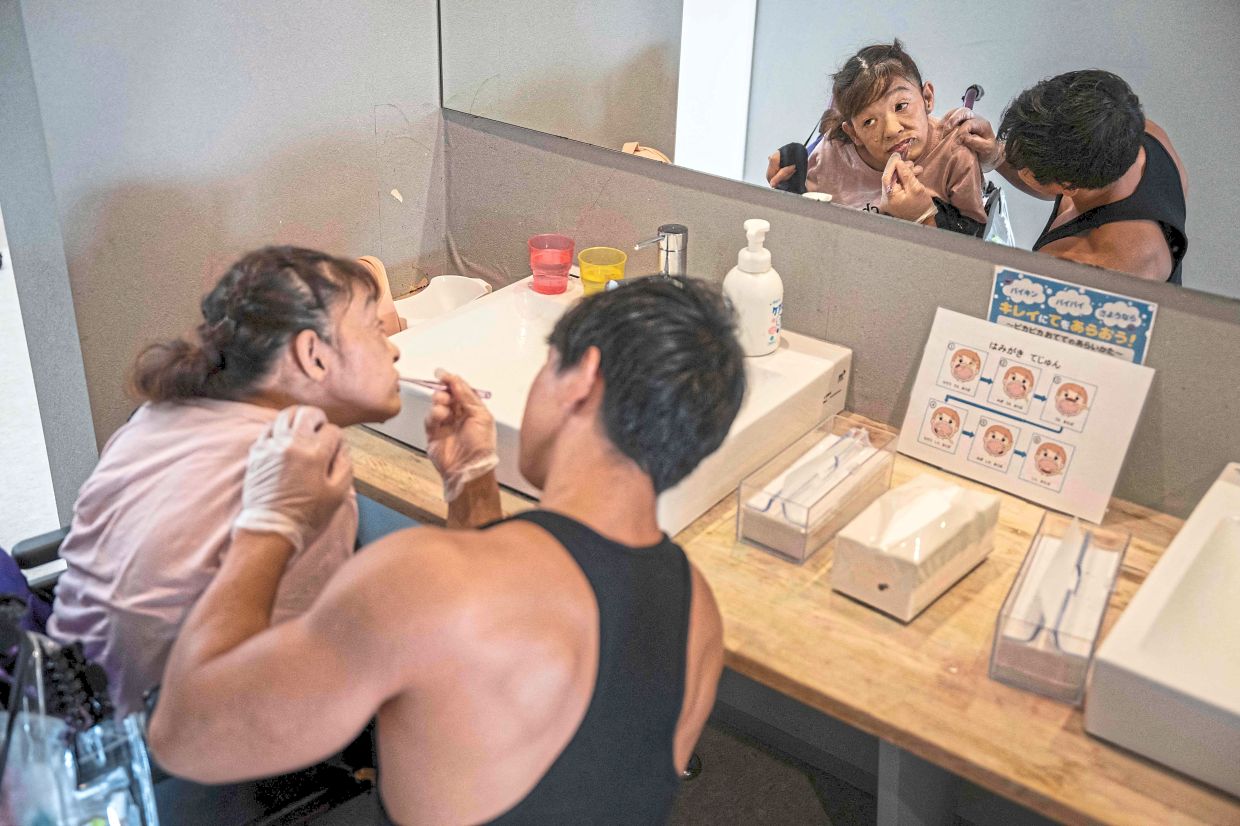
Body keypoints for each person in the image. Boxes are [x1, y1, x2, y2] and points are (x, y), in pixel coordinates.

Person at [148, 276, 746, 825]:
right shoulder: (699, 615)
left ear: (584, 377)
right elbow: (513, 728)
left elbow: (189, 734)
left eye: (546, 366)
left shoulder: (422, 579)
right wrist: (471, 485)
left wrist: (271, 520)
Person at [48, 246, 502, 717]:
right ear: (313, 355)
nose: (394, 347)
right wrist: (473, 485)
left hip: (71, 698)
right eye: (374, 328)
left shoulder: (158, 417)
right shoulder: (302, 466)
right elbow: (314, 674)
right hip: (184, 732)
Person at [946, 70, 1188, 283]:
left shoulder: (1091, 265)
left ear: (1068, 186)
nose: (1009, 154)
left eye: (1025, 166)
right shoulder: (1127, 129)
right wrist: (995, 155)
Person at [767, 40, 988, 235]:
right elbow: (803, 227)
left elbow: (973, 244)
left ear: (927, 98)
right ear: (853, 133)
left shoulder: (955, 154)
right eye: (869, 121)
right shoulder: (832, 154)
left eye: (901, 106)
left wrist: (925, 217)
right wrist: (787, 190)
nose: (891, 130)